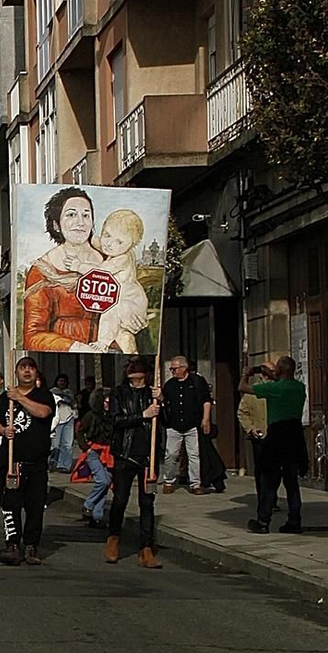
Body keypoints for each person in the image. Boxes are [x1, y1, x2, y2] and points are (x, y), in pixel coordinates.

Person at [0, 355, 55, 564]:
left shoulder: (44, 395)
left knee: (35, 506)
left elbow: (43, 413)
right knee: (11, 504)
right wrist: (3, 430)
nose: (27, 371)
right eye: (22, 368)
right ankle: (12, 544)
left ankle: (32, 546)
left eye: (31, 368)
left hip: (36, 463)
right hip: (12, 462)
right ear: (16, 372)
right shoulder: (5, 399)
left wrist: (20, 398)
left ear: (36, 373)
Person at [22, 187, 106, 353]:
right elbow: (33, 336)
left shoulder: (109, 262)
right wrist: (75, 347)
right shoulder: (42, 270)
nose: (80, 222)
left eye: (86, 215)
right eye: (71, 215)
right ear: (56, 224)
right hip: (64, 356)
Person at [105, 357, 162, 567]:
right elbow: (116, 420)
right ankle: (113, 539)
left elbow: (170, 420)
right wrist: (142, 415)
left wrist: (163, 400)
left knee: (147, 502)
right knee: (120, 499)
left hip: (148, 455)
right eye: (130, 365)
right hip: (124, 454)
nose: (132, 368)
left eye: (136, 366)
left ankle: (146, 548)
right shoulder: (119, 393)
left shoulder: (152, 394)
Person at [241, 354, 308, 532]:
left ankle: (263, 521)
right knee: (291, 481)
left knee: (269, 480)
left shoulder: (274, 388)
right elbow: (284, 381)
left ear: (279, 370)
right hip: (295, 435)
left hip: (277, 434)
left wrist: (246, 374)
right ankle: (295, 520)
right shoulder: (299, 387)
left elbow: (243, 388)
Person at [91, 209, 151, 353]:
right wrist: (91, 237)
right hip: (128, 301)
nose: (109, 244)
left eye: (119, 241)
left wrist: (78, 266)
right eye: (107, 235)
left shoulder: (122, 258)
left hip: (130, 303)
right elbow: (98, 243)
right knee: (121, 333)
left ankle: (103, 342)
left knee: (111, 310)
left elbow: (100, 270)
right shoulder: (116, 249)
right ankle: (132, 352)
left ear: (131, 245)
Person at [160, 355, 213, 492]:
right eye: (171, 369)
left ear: (184, 368)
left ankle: (195, 484)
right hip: (174, 425)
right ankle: (169, 480)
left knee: (194, 454)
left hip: (192, 424)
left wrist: (205, 419)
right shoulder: (170, 385)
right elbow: (165, 403)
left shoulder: (197, 381)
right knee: (171, 454)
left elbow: (206, 400)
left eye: (175, 368)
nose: (172, 371)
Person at [74, 384, 115, 529]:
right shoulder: (91, 415)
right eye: (105, 400)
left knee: (107, 483)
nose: (108, 403)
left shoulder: (114, 415)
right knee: (102, 481)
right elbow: (80, 431)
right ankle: (88, 505)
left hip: (109, 453)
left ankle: (97, 517)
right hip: (94, 452)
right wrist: (86, 448)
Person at [49, 375, 78, 474]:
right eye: (60, 381)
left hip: (69, 418)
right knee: (55, 444)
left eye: (64, 381)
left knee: (67, 444)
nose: (62, 383)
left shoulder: (69, 392)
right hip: (57, 419)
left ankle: (64, 465)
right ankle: (53, 463)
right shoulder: (52, 392)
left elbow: (73, 402)